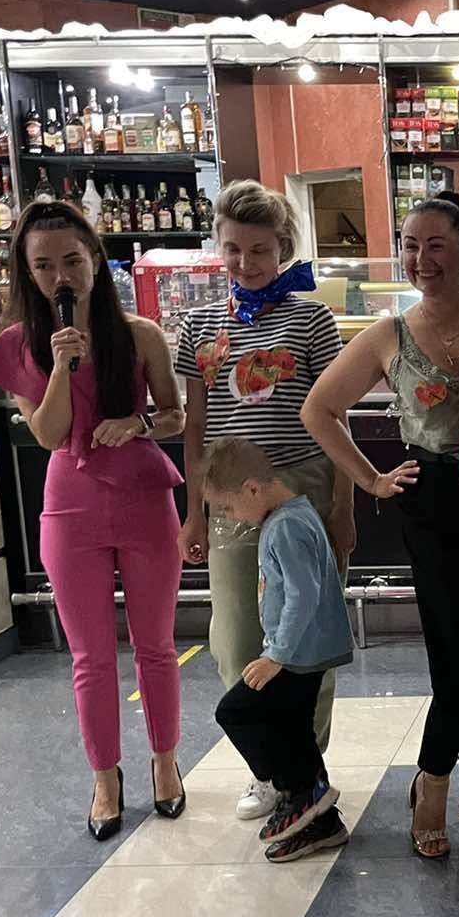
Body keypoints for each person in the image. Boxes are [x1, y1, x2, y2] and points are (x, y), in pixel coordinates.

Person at [302, 192, 459, 859]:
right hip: (432, 501)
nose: (422, 259)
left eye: (436, 245)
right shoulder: (388, 334)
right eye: (411, 246)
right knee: (455, 655)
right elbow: (319, 409)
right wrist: (370, 480)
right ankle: (438, 785)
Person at [0, 201, 187, 840]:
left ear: (95, 258)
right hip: (71, 507)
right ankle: (104, 777)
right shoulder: (19, 345)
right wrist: (63, 367)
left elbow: (175, 415)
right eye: (43, 266)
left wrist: (139, 423)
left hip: (144, 498)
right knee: (91, 655)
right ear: (27, 273)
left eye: (71, 260)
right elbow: (48, 434)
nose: (60, 276)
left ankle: (166, 762)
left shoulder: (141, 334)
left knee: (156, 645)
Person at [174, 180, 353, 820]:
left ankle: (307, 766)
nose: (246, 262)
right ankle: (267, 765)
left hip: (303, 483)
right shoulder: (198, 324)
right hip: (228, 494)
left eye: (260, 249)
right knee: (235, 635)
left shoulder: (312, 319)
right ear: (218, 247)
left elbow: (335, 416)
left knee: (305, 634)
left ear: (283, 248)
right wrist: (193, 511)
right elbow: (195, 425)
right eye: (233, 249)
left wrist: (343, 507)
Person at [203, 438, 353, 862]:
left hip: (298, 656)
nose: (233, 518)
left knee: (236, 711)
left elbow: (303, 595)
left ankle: (300, 791)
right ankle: (321, 818)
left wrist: (276, 656)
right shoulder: (292, 516)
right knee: (294, 726)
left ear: (252, 489)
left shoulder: (286, 526)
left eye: (229, 508)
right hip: (301, 653)